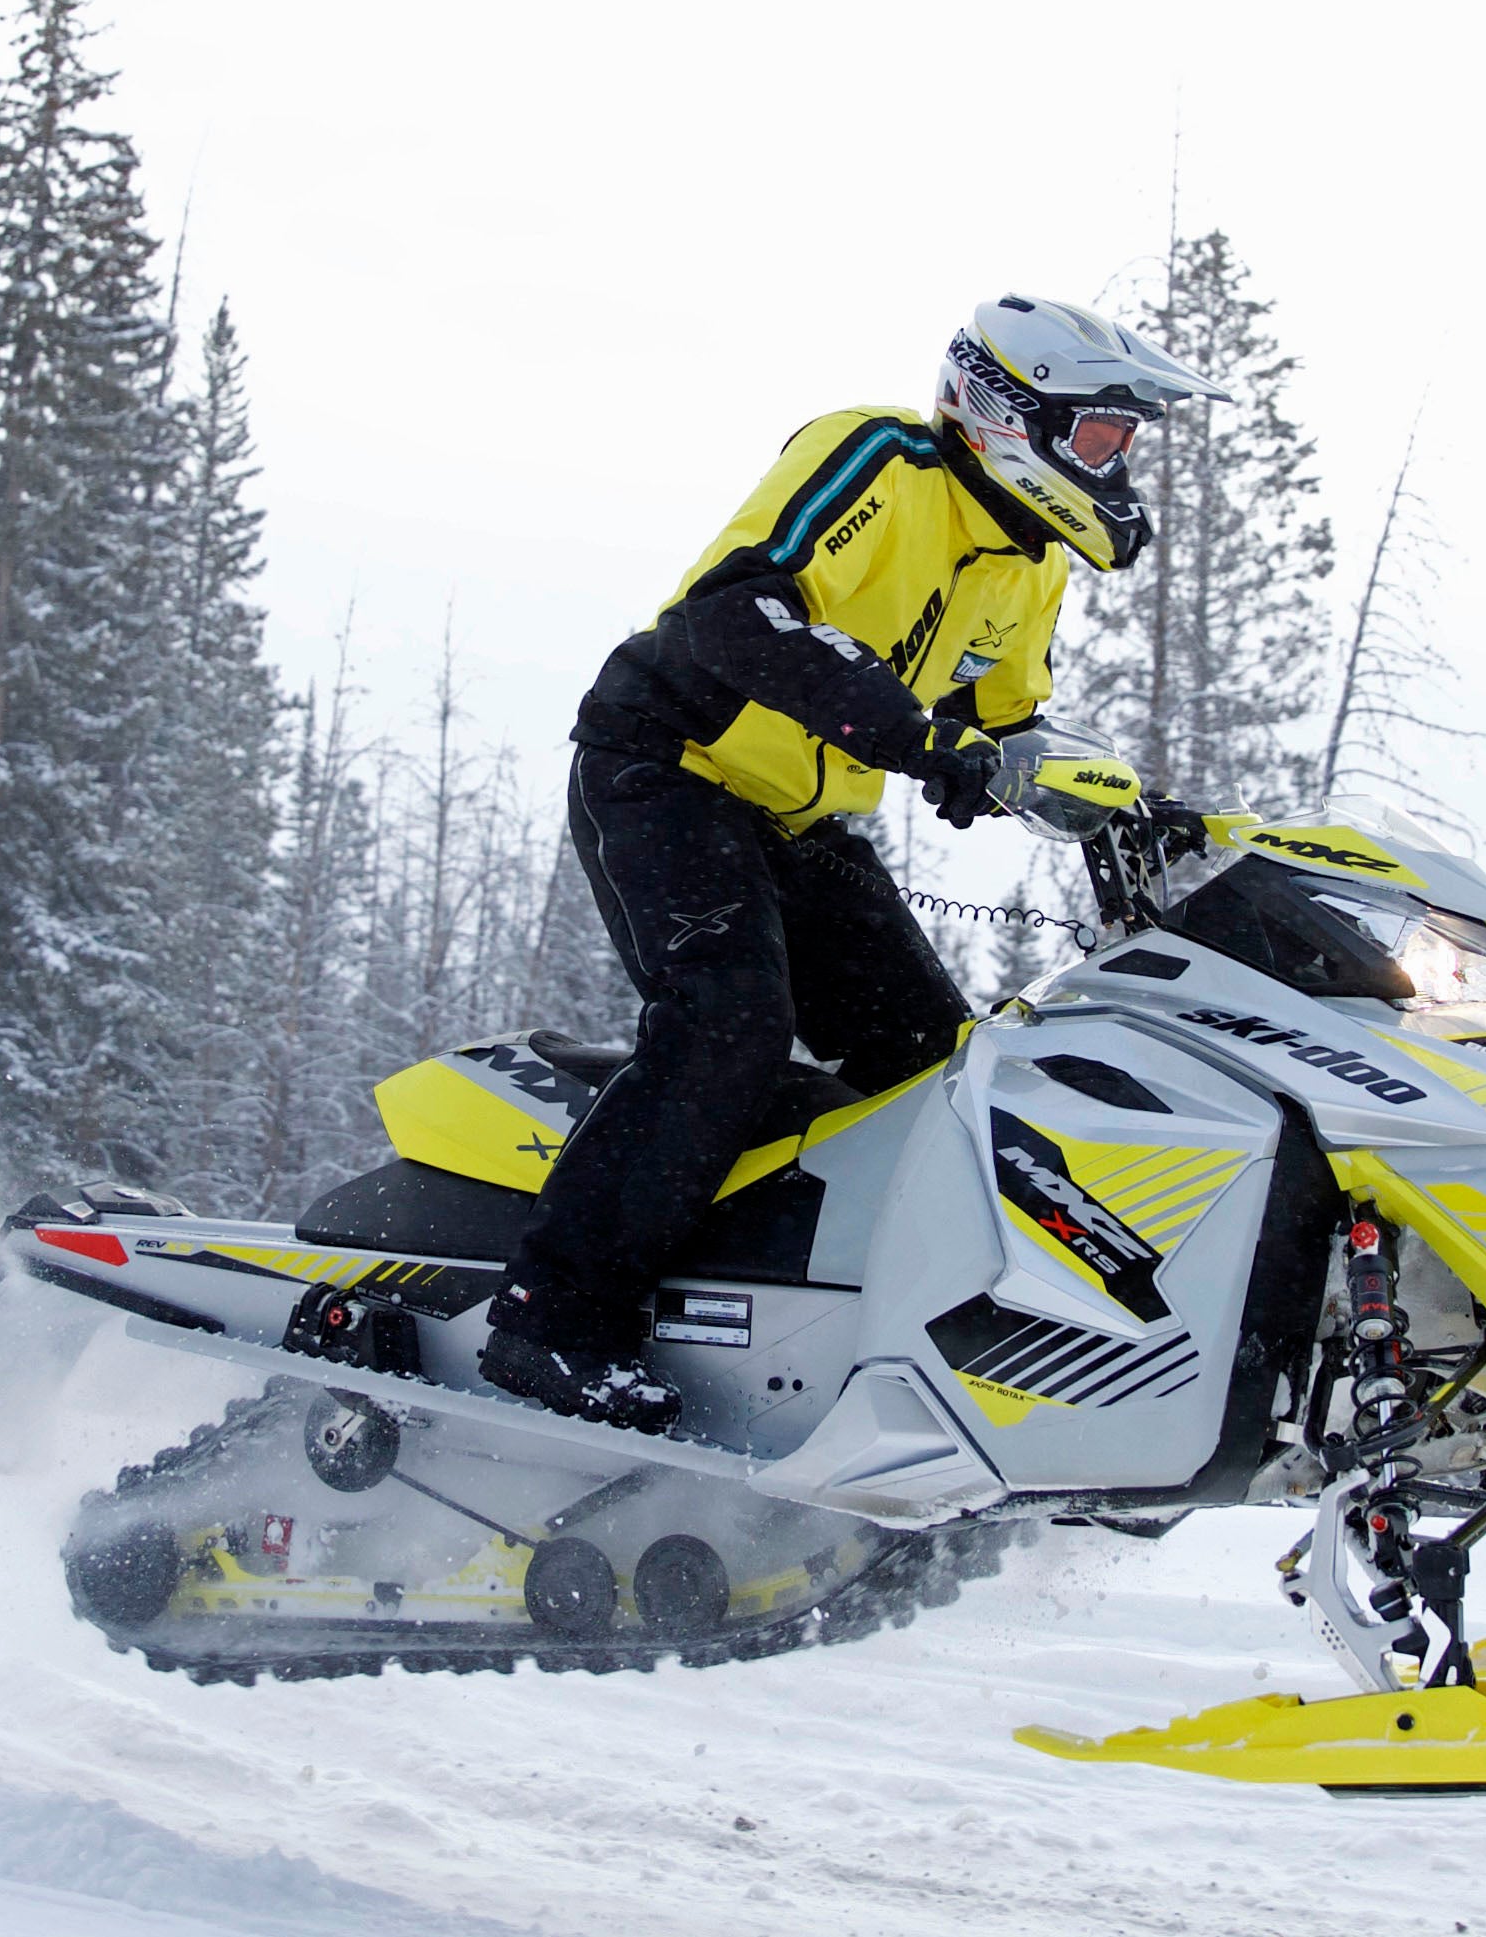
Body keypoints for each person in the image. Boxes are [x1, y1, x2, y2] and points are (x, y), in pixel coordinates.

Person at [480, 296, 1226, 1429]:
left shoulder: (1030, 563)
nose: (1114, 469)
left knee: (938, 1068)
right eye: (1099, 440)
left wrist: (1133, 812)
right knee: (727, 1014)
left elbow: (1009, 724)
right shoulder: (880, 459)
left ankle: (834, 1331)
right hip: (668, 767)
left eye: (1122, 447)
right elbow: (740, 612)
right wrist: (920, 739)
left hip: (794, 818)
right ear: (1007, 413)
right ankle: (552, 1318)